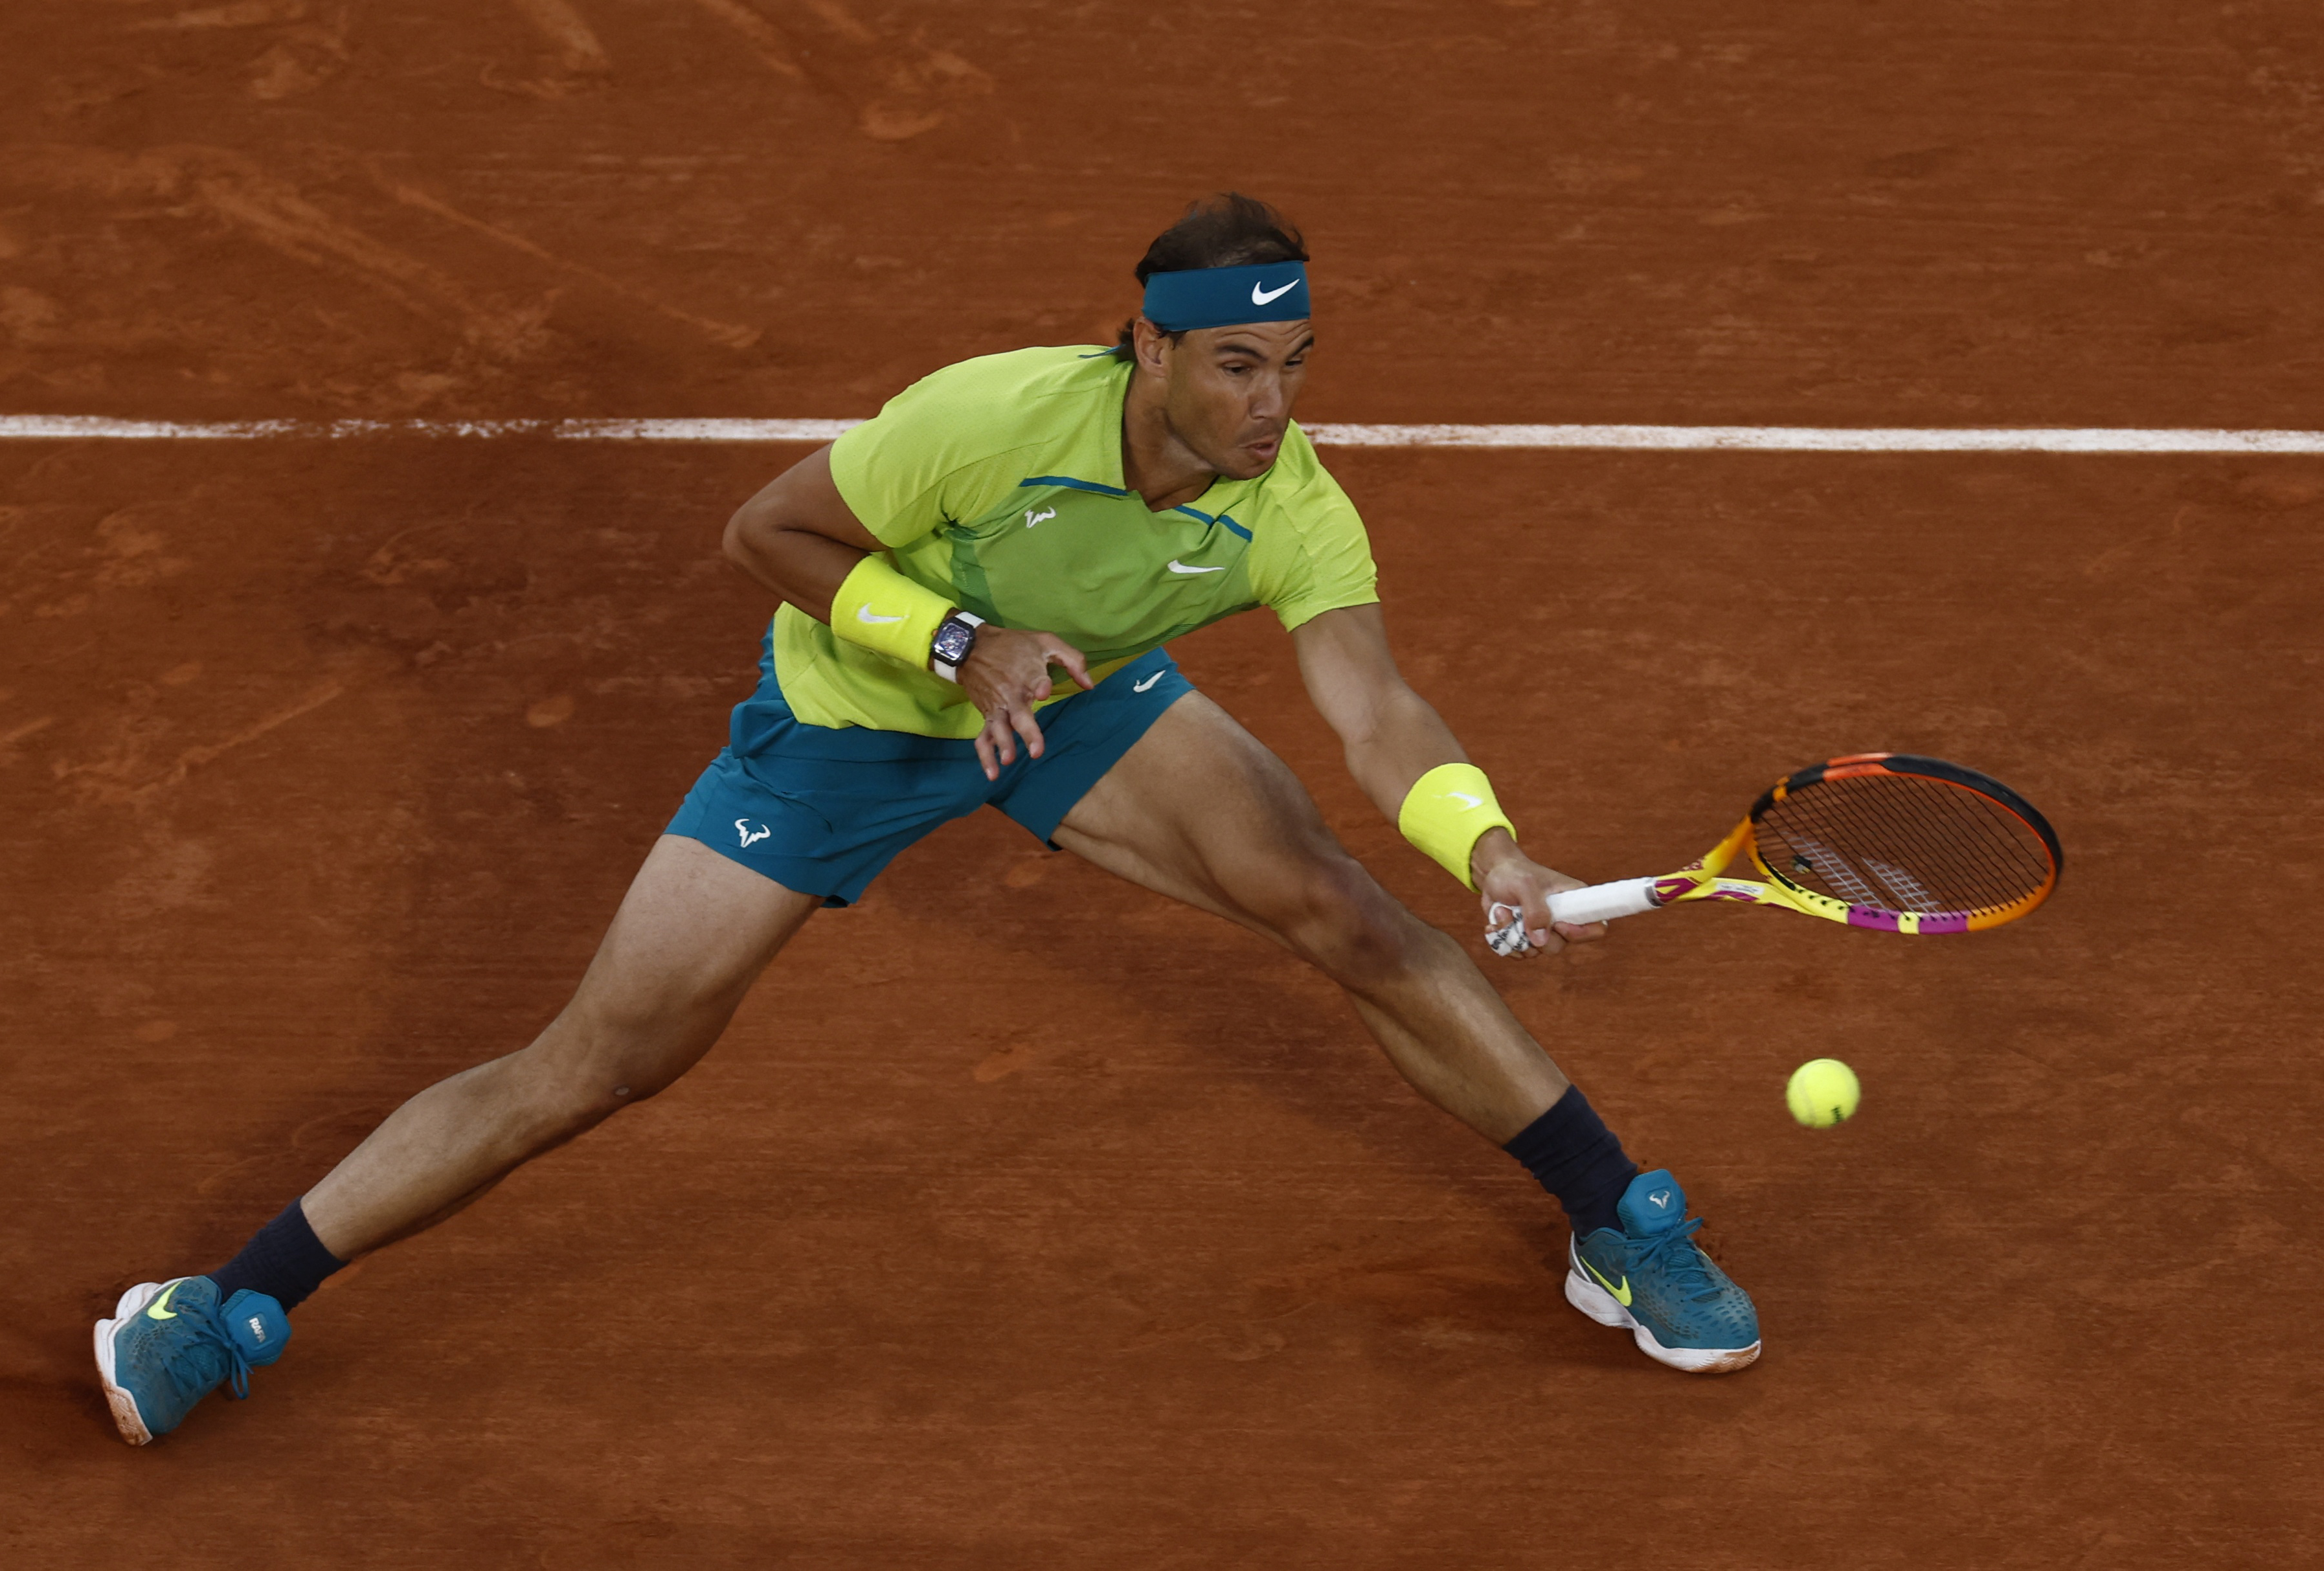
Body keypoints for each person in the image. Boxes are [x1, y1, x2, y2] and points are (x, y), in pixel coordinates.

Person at [94, 193, 1759, 1447]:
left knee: (1343, 910)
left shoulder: (1290, 507)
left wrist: (1486, 847)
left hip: (1084, 708)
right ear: (1151, 346)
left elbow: (1376, 709)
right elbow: (766, 535)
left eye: (1294, 364)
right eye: (1238, 364)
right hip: (844, 724)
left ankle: (1618, 1223)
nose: (1271, 403)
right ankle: (227, 1302)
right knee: (596, 1063)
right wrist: (958, 644)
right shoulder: (988, 416)